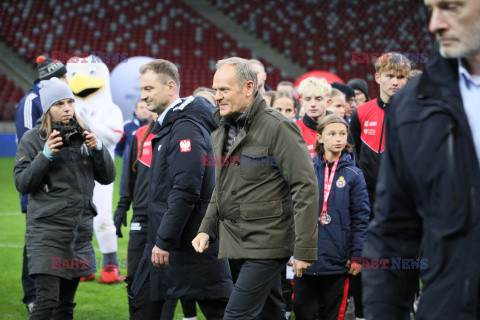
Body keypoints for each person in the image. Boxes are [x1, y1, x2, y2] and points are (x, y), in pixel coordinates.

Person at [363, 0, 480, 319]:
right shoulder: (414, 108)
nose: (434, 24)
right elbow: (392, 231)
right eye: (431, 9)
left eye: (451, 7)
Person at [193, 57, 319, 320]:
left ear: (249, 87)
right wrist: (206, 228)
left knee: (236, 316)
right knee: (269, 314)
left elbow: (304, 187)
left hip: (268, 244)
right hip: (235, 243)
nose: (217, 97)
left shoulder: (279, 126)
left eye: (224, 90)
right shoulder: (222, 129)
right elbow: (223, 188)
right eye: (215, 90)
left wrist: (304, 249)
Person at [13, 77, 115, 319]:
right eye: (60, 103)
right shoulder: (33, 139)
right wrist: (45, 154)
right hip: (47, 234)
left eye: (70, 102)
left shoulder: (83, 135)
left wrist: (98, 148)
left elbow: (108, 177)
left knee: (65, 307)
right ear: (48, 108)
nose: (68, 107)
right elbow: (22, 183)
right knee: (46, 305)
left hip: (78, 234)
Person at [138, 59, 233, 320]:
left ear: (170, 87)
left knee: (218, 310)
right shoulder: (173, 124)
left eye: (148, 88)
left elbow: (185, 190)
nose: (143, 96)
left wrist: (164, 240)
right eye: (141, 90)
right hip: (180, 241)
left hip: (189, 243)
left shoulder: (185, 128)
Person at [114, 113, 196, 320]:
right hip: (140, 217)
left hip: (166, 217)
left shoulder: (180, 135)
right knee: (133, 277)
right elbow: (129, 175)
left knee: (162, 279)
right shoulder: (141, 134)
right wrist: (122, 207)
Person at [348, 51, 411, 319]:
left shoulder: (416, 111)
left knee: (403, 261)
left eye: (400, 77)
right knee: (364, 258)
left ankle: (405, 309)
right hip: (367, 200)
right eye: (389, 76)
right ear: (377, 77)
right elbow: (351, 157)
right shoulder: (361, 112)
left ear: (407, 80)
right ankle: (362, 312)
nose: (395, 82)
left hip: (404, 201)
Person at [293, 114, 370, 320]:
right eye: (332, 133)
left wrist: (357, 255)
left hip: (338, 261)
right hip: (306, 260)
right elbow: (294, 211)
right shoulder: (306, 170)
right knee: (303, 313)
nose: (338, 138)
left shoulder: (354, 174)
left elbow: (361, 217)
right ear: (319, 138)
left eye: (343, 134)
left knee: (333, 315)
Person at [14, 55, 68, 315]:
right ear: (54, 77)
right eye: (64, 76)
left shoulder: (55, 99)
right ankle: (32, 296)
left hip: (57, 187)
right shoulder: (31, 102)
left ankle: (51, 293)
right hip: (36, 182)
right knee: (34, 241)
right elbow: (29, 141)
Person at [115, 100, 151, 190]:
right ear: (136, 111)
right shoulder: (126, 127)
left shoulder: (156, 127)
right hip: (130, 173)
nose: (144, 110)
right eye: (141, 108)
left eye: (147, 108)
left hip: (149, 173)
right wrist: (129, 159)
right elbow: (119, 148)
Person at [296, 77, 332, 157]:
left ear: (328, 102)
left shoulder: (339, 129)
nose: (312, 104)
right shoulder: (293, 130)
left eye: (318, 99)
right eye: (308, 99)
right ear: (302, 102)